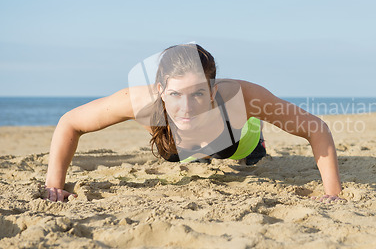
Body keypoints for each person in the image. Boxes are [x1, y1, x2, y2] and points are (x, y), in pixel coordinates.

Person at [44, 44, 343, 203]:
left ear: (212, 90)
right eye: (174, 94)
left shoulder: (242, 96)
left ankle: (256, 134)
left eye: (199, 93)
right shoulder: (140, 102)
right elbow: (70, 123)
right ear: (160, 89)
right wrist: (54, 186)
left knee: (248, 151)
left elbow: (316, 129)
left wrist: (333, 192)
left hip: (239, 144)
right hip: (178, 145)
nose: (186, 107)